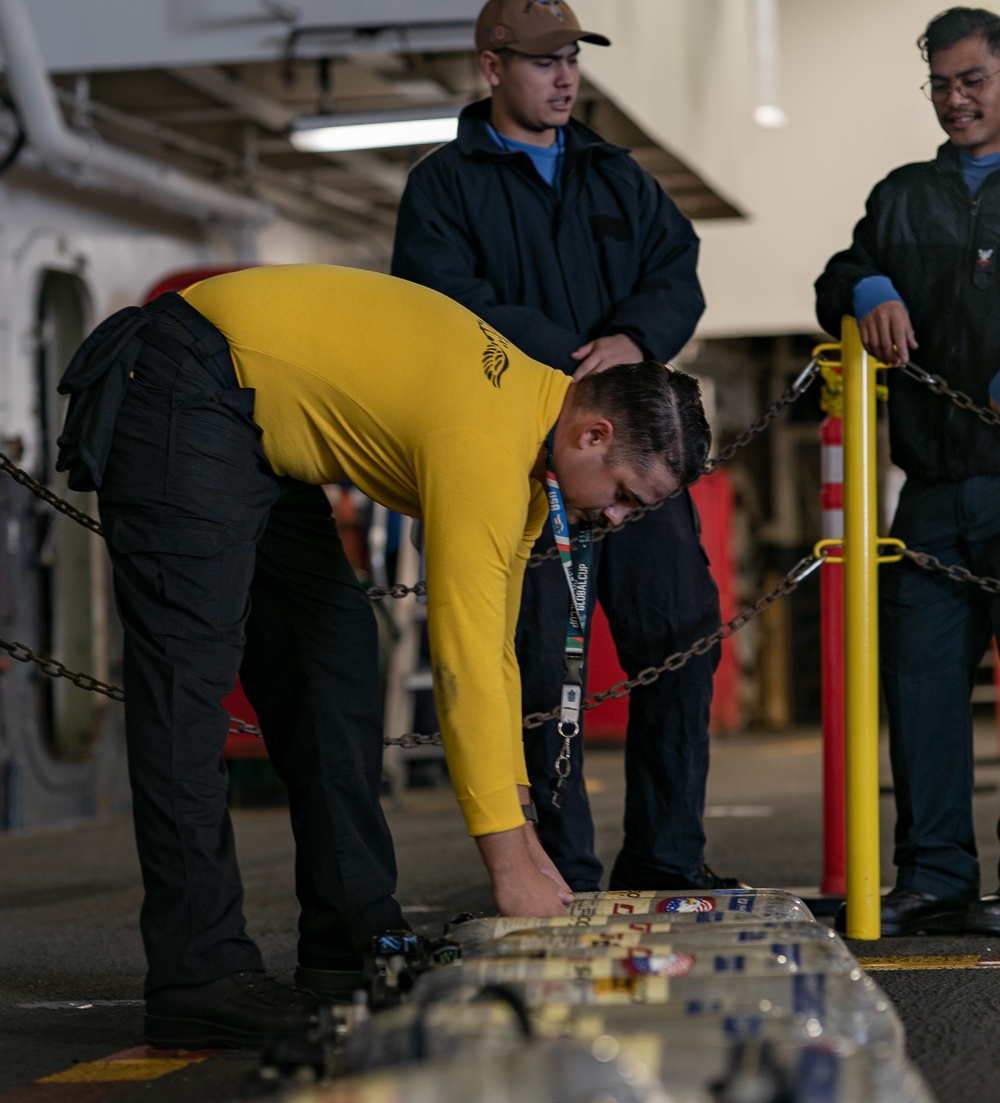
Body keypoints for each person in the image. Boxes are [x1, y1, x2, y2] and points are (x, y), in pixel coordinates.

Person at [56, 264, 710, 1045]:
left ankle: (352, 940)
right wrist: (506, 870)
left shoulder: (540, 451)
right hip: (186, 381)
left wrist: (531, 843)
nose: (619, 519)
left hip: (254, 425)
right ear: (593, 434)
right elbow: (463, 653)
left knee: (332, 664)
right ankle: (199, 973)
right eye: (626, 496)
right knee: (187, 686)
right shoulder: (489, 439)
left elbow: (497, 657)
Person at [392, 0, 731, 893]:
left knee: (681, 637)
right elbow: (437, 301)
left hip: (629, 453)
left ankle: (666, 860)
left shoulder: (617, 175)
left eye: (573, 58)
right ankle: (560, 869)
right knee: (538, 663)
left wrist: (634, 337)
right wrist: (560, 354)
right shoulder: (444, 186)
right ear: (491, 65)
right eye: (545, 61)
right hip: (524, 458)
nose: (565, 76)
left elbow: (677, 268)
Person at [816, 6, 1000, 936]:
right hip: (929, 488)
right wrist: (866, 284)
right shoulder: (902, 196)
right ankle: (936, 879)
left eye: (972, 80)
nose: (955, 99)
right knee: (923, 693)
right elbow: (840, 266)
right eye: (940, 84)